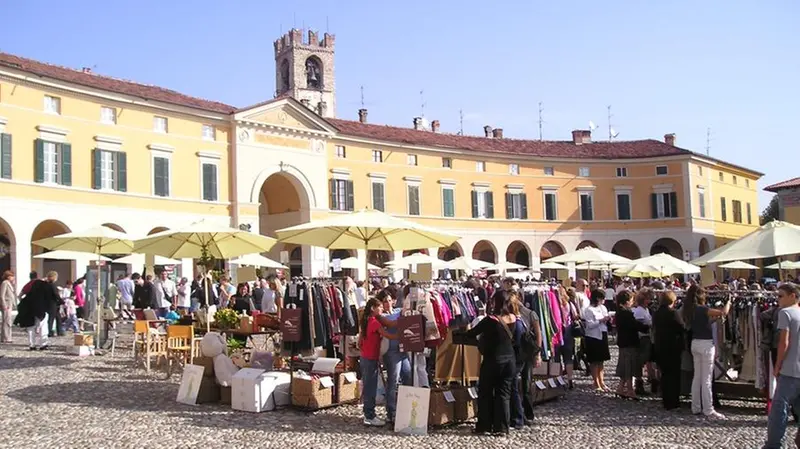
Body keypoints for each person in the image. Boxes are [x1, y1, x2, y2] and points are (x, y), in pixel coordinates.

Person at [463, 290, 518, 436]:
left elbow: (471, 333)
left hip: (493, 360)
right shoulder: (513, 318)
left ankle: (484, 425)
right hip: (510, 360)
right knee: (504, 394)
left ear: (495, 302)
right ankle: (502, 428)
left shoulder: (490, 320)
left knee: (486, 393)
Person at [682, 284, 730, 419]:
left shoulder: (689, 309)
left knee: (697, 377)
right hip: (706, 344)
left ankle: (696, 406)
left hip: (695, 343)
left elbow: (704, 323)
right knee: (707, 378)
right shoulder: (702, 308)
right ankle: (708, 409)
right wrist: (728, 303)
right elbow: (723, 312)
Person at [764, 283, 800, 449]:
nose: (777, 299)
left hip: (790, 369)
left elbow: (783, 342)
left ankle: (773, 445)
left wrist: (777, 365)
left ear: (792, 295)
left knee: (779, 409)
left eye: (780, 296)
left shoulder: (785, 313)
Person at [375, 289, 411, 424]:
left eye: (390, 300)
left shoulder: (397, 311)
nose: (388, 304)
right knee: (393, 380)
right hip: (391, 351)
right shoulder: (381, 316)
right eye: (385, 302)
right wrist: (403, 318)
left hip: (402, 350)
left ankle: (405, 407)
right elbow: (390, 324)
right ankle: (392, 411)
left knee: (407, 376)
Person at [359, 297, 393, 427]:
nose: (382, 308)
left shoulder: (367, 320)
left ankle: (369, 413)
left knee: (369, 386)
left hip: (366, 357)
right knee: (370, 387)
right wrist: (403, 335)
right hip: (369, 358)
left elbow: (361, 340)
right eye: (379, 307)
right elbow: (387, 335)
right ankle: (369, 415)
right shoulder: (374, 322)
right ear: (373, 308)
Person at [653, 290, 685, 410]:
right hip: (672, 347)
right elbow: (681, 327)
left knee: (665, 375)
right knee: (674, 376)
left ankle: (666, 401)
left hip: (660, 346)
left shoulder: (657, 313)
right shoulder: (673, 313)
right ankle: (674, 402)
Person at [615, 290, 649, 399]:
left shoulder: (619, 311)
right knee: (629, 366)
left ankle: (620, 388)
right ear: (627, 301)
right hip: (629, 341)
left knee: (625, 365)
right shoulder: (626, 312)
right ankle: (630, 390)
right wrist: (646, 327)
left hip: (623, 341)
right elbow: (634, 325)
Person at [16, 271, 60, 350]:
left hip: (29, 308)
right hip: (41, 309)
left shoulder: (29, 284)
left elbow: (20, 295)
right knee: (42, 326)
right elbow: (49, 297)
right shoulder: (44, 285)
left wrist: (23, 303)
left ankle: (32, 345)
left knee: (30, 327)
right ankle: (43, 344)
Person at [584, 289, 611, 391]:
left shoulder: (603, 308)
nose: (604, 300)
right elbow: (590, 325)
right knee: (594, 361)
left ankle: (602, 382)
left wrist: (608, 319)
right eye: (602, 298)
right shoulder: (589, 310)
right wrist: (601, 320)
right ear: (597, 298)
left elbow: (605, 318)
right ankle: (596, 382)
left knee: (601, 361)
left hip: (602, 334)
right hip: (593, 336)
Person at [633, 288, 656, 395]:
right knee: (640, 361)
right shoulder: (639, 311)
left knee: (648, 360)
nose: (651, 301)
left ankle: (652, 379)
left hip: (647, 337)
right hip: (642, 338)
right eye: (649, 299)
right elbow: (639, 326)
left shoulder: (646, 310)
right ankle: (639, 383)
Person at [0, 270, 15, 343]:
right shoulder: (5, 283)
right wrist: (4, 305)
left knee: (8, 321)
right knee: (6, 321)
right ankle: (6, 338)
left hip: (9, 304)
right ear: (8, 276)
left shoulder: (9, 283)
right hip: (6, 304)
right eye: (12, 276)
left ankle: (7, 337)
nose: (13, 277)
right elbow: (2, 295)